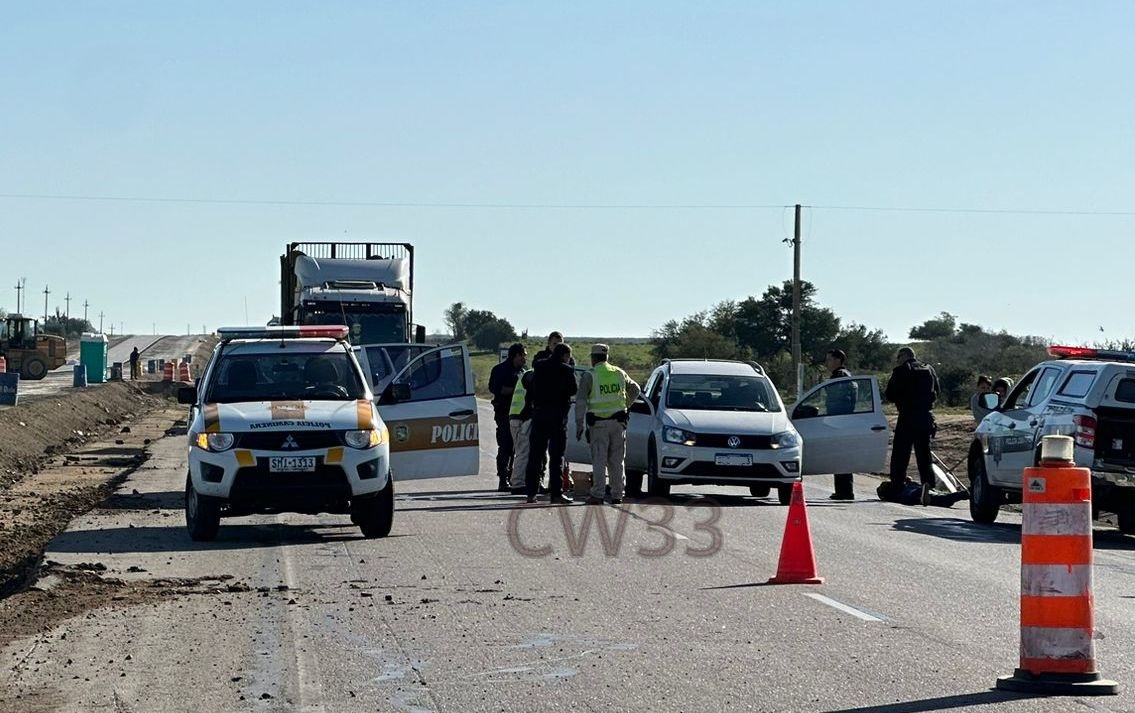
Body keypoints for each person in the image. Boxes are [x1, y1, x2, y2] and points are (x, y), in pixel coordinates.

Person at [575, 344, 641, 505]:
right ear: (607, 357)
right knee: (617, 460)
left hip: (598, 424)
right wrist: (625, 405)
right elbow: (636, 389)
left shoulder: (590, 375)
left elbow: (581, 401)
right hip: (618, 423)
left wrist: (579, 424)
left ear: (593, 358)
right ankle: (618, 494)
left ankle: (598, 494)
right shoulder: (619, 373)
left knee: (599, 459)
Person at [884, 347, 941, 506]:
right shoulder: (929, 369)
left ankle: (897, 487)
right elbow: (937, 391)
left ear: (903, 356)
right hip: (925, 417)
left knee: (900, 455)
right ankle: (929, 487)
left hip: (907, 417)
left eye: (898, 357)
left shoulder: (902, 371)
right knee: (924, 456)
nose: (897, 361)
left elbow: (890, 394)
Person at [524, 343, 578, 504]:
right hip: (557, 417)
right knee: (556, 457)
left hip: (539, 415)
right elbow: (573, 390)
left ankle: (531, 493)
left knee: (535, 455)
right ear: (564, 356)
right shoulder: (566, 370)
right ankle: (556, 494)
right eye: (568, 357)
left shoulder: (539, 366)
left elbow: (531, 386)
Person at [488, 344, 527, 492]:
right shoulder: (500, 370)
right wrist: (515, 390)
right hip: (504, 413)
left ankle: (514, 477)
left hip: (520, 415)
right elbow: (494, 388)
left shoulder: (523, 372)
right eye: (523, 355)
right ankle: (503, 479)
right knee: (505, 446)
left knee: (519, 448)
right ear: (516, 355)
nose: (525, 358)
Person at [824, 349, 858, 500]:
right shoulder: (844, 375)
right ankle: (843, 489)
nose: (827, 363)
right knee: (842, 456)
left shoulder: (840, 376)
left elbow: (839, 398)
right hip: (843, 419)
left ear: (838, 360)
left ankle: (844, 491)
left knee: (841, 456)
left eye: (829, 360)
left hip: (840, 419)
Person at [507, 366, 540, 495]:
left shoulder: (527, 374)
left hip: (516, 417)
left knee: (522, 451)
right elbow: (532, 398)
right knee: (523, 452)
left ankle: (521, 481)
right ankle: (518, 483)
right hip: (523, 418)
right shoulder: (533, 376)